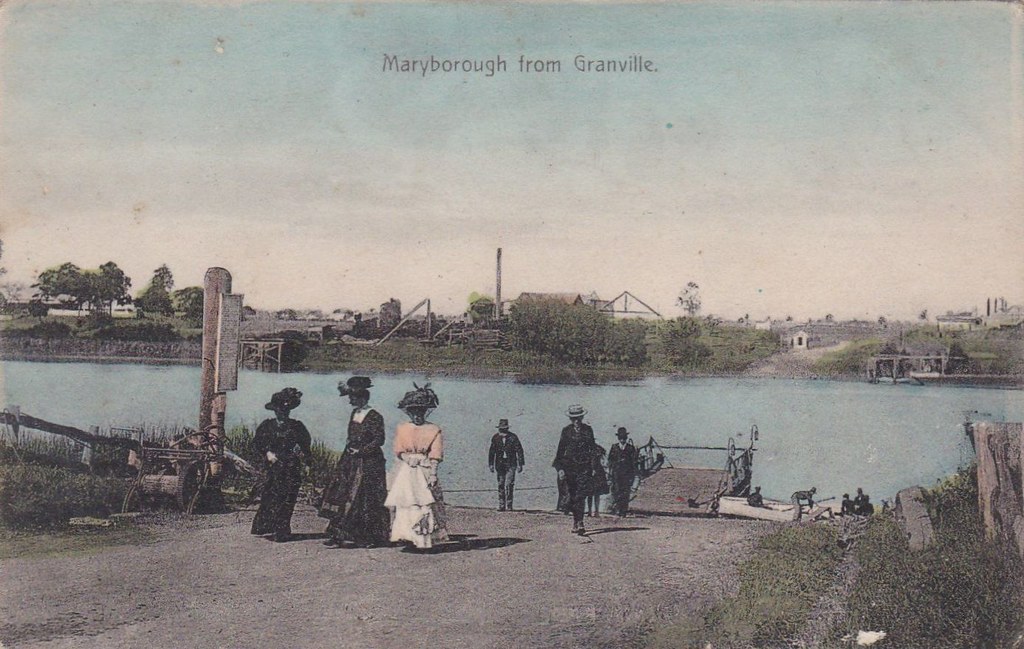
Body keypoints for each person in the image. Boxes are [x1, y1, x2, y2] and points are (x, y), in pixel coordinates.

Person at [320, 376, 390, 548]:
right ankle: (338, 534)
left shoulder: (375, 416)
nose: (350, 401)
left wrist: (362, 451)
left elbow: (379, 440)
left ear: (362, 398)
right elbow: (351, 435)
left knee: (366, 497)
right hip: (351, 460)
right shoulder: (354, 413)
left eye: (353, 398)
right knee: (343, 493)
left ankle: (370, 537)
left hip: (369, 462)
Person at [384, 384, 449, 549]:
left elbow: (436, 454)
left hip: (424, 468)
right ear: (409, 412)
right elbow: (398, 449)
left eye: (420, 412)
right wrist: (406, 457)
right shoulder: (403, 428)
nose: (417, 416)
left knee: (424, 503)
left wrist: (433, 473)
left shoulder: (434, 430)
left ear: (425, 412)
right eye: (414, 412)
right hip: (405, 469)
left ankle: (423, 539)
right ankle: (406, 536)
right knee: (405, 502)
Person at [250, 388, 312, 542]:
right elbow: (257, 443)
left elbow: (306, 446)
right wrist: (267, 453)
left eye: (285, 410)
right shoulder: (267, 426)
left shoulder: (297, 426)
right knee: (271, 497)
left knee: (288, 499)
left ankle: (282, 530)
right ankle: (263, 526)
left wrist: (307, 462)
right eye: (279, 410)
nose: (282, 413)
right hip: (274, 467)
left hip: (291, 467)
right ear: (275, 410)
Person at [552, 404, 600, 535]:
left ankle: (580, 522)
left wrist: (594, 466)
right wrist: (560, 468)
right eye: (574, 419)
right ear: (570, 419)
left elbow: (593, 449)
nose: (576, 421)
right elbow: (560, 451)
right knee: (572, 495)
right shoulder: (566, 431)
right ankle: (575, 521)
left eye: (578, 418)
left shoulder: (588, 430)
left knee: (581, 495)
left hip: (584, 467)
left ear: (582, 417)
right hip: (569, 468)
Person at [488, 418, 525, 511]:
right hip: (500, 464)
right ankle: (501, 505)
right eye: (501, 429)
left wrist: (520, 464)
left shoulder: (513, 437)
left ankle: (509, 505)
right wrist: (491, 464)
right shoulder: (495, 438)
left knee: (509, 484)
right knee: (501, 484)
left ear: (507, 429)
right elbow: (491, 452)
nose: (502, 431)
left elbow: (519, 451)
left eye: (504, 429)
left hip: (511, 464)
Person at [608, 427, 639, 516]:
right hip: (616, 473)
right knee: (617, 490)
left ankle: (623, 510)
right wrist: (611, 469)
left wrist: (633, 474)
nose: (622, 440)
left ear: (626, 438)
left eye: (624, 438)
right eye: (620, 438)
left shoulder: (630, 448)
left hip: (627, 473)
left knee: (625, 491)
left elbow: (634, 462)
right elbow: (610, 460)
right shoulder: (614, 447)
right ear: (618, 438)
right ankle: (617, 509)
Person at [587, 444, 608, 517]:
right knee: (589, 493)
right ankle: (590, 511)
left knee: (596, 493)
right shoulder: (585, 448)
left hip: (597, 472)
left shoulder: (598, 448)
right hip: (589, 471)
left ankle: (596, 511)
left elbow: (603, 456)